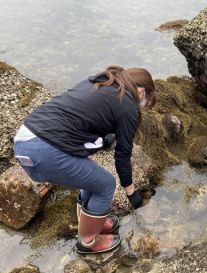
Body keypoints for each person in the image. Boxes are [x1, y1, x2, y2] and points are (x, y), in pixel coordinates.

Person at [13, 65, 156, 254]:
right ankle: (88, 241)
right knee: (105, 185)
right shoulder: (128, 105)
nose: (143, 104)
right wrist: (131, 193)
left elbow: (82, 120)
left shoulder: (100, 82)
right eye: (147, 100)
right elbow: (122, 155)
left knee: (90, 178)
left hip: (24, 140)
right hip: (44, 151)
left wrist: (105, 139)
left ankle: (91, 222)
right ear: (141, 91)